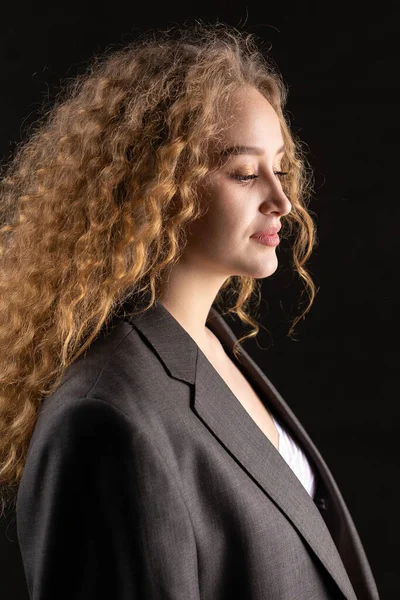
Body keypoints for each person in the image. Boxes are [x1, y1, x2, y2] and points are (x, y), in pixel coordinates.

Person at [0, 22, 379, 600]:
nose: (282, 200)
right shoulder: (105, 416)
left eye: (281, 168)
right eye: (245, 173)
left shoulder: (210, 345)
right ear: (156, 186)